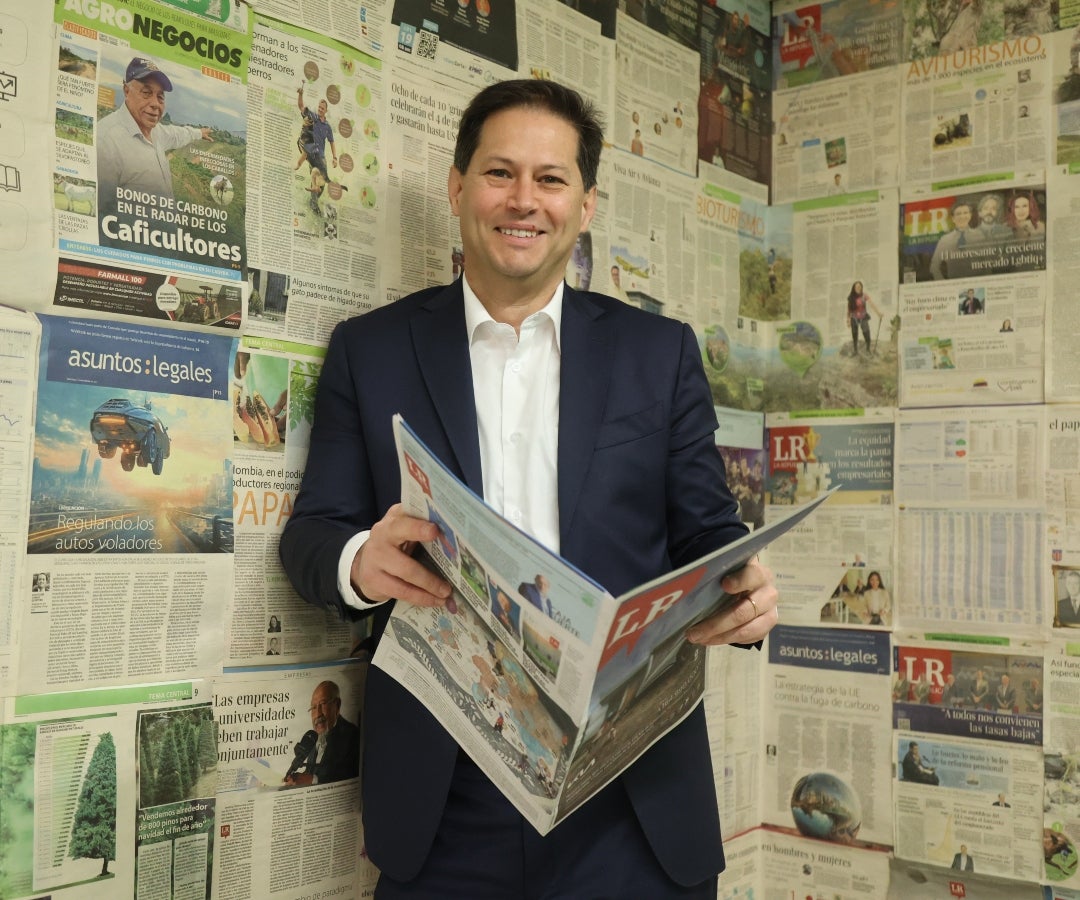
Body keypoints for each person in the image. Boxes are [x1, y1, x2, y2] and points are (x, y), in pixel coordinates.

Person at [279, 79, 778, 898]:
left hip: (629, 801)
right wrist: (357, 563)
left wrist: (745, 592)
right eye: (499, 173)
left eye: (551, 179)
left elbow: (708, 535)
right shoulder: (371, 351)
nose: (523, 200)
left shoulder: (658, 354)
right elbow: (312, 535)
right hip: (446, 802)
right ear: (457, 188)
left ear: (585, 205)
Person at [96, 57, 212, 208]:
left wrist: (199, 133)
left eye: (160, 97)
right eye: (146, 92)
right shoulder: (106, 141)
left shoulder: (157, 132)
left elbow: (177, 135)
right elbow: (99, 209)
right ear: (126, 91)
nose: (155, 104)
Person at [285, 680, 361, 786]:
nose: (317, 714)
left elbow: (348, 775)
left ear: (337, 705)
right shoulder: (313, 737)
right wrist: (297, 780)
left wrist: (313, 780)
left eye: (323, 704)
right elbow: (312, 773)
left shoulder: (352, 735)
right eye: (313, 708)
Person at [297, 86, 340, 216]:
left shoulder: (327, 127)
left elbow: (332, 142)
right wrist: (300, 94)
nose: (320, 110)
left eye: (323, 108)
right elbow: (301, 106)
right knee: (316, 177)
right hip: (312, 154)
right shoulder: (313, 117)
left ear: (326, 111)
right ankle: (313, 205)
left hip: (321, 157)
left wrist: (335, 157)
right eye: (319, 107)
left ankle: (312, 200)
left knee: (322, 184)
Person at [929, 200, 977, 279]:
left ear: (970, 215)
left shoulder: (980, 235)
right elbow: (934, 267)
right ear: (953, 218)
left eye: (965, 213)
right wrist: (943, 283)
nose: (962, 217)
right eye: (958, 214)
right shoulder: (944, 240)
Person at [846, 281, 882, 356]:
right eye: (856, 287)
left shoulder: (864, 295)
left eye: (859, 287)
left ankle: (868, 349)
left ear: (862, 287)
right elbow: (849, 310)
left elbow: (872, 304)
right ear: (854, 288)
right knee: (854, 335)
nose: (858, 288)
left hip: (863, 317)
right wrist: (848, 320)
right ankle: (855, 351)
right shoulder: (851, 297)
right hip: (854, 318)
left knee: (867, 333)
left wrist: (878, 313)